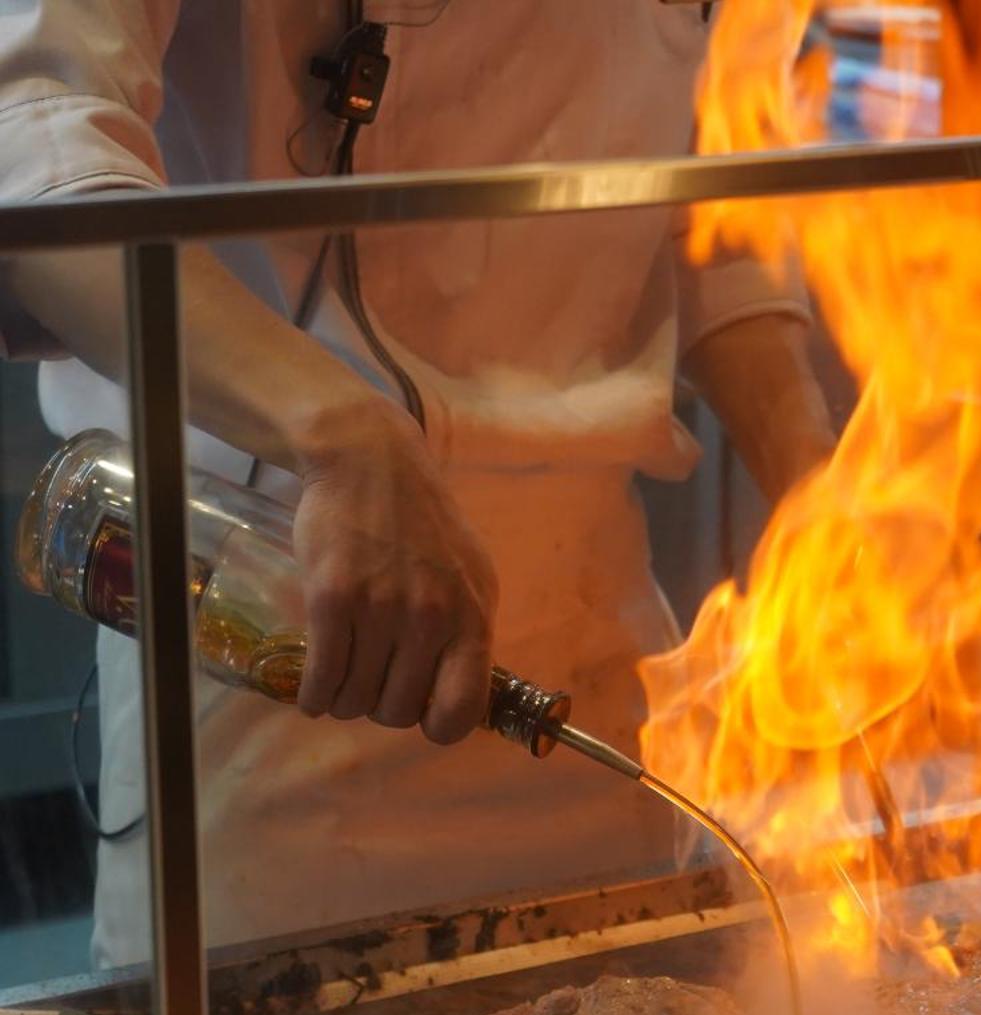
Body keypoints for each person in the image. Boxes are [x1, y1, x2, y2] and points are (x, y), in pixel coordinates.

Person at [0, 2, 838, 966]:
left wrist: (821, 486)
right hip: (277, 617)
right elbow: (38, 149)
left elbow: (718, 177)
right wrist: (343, 436)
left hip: (597, 648)